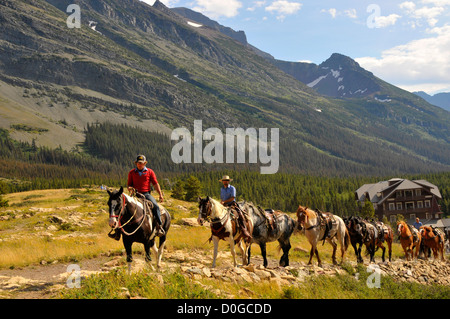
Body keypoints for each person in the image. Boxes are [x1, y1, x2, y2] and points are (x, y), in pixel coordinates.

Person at [127, 155, 165, 236]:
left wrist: (160, 195)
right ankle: (118, 230)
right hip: (135, 194)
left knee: (155, 206)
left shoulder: (150, 172)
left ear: (144, 163)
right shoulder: (132, 172)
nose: (139, 164)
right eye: (138, 163)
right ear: (136, 163)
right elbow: (129, 185)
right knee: (124, 208)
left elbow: (155, 184)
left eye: (141, 163)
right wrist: (130, 188)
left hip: (146, 194)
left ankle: (159, 226)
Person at [219, 175, 251, 239]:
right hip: (224, 205)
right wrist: (221, 202)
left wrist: (224, 201)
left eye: (226, 181)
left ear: (228, 181)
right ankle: (216, 232)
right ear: (222, 181)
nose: (225, 182)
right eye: (224, 181)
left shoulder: (232, 188)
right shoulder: (222, 189)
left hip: (232, 204)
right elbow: (222, 198)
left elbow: (232, 198)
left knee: (240, 214)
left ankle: (244, 229)